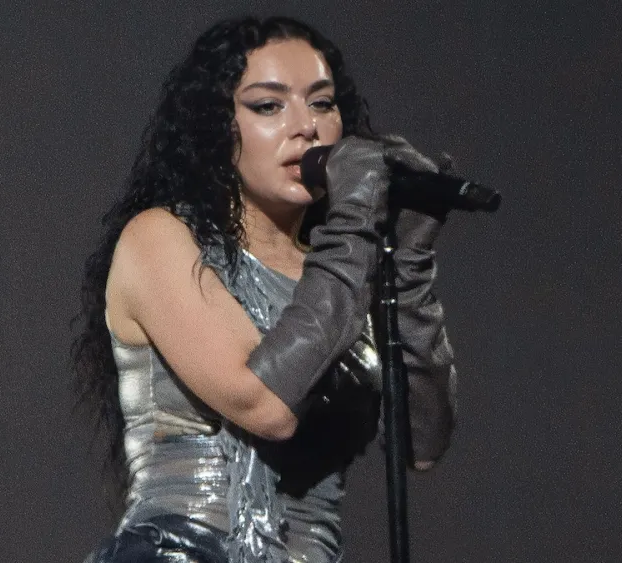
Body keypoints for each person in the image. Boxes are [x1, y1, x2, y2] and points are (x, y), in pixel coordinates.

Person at [72, 16, 457, 563]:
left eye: (322, 103)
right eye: (268, 106)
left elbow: (423, 444)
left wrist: (409, 260)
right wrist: (353, 225)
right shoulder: (160, 239)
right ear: (216, 127)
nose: (306, 127)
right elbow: (265, 405)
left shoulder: (339, 272)